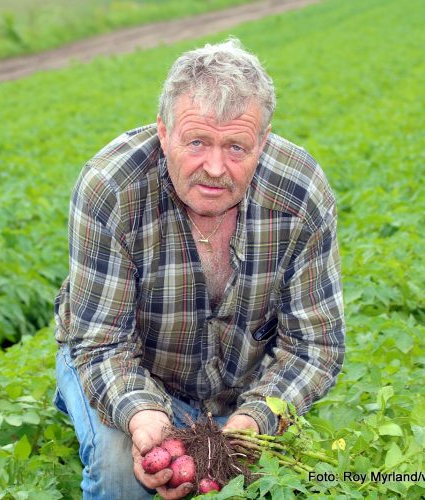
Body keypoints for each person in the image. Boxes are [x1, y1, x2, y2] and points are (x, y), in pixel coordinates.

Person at [53, 37, 345, 499]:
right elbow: (101, 342)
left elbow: (315, 345)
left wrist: (253, 423)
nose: (215, 167)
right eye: (196, 142)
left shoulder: (300, 194)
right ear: (163, 133)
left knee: (270, 480)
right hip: (128, 367)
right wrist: (143, 416)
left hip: (239, 390)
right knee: (121, 471)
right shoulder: (112, 190)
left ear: (262, 142)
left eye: (236, 147)